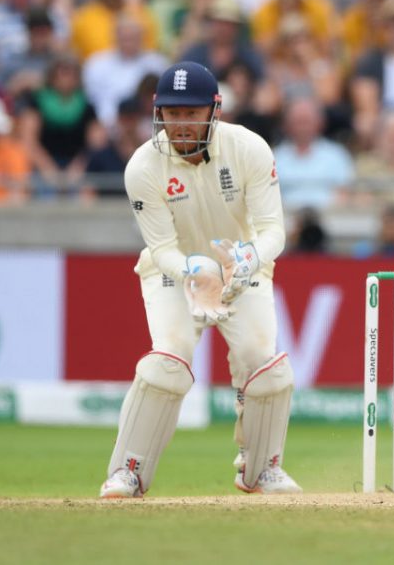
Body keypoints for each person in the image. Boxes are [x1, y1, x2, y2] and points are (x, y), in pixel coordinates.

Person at [100, 61, 300, 498]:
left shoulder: (249, 148)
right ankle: (127, 471)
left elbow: (273, 231)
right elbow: (162, 249)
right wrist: (193, 269)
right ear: (158, 112)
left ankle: (261, 468)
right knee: (167, 363)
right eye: (173, 113)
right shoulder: (143, 167)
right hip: (175, 273)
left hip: (241, 268)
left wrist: (248, 258)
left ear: (215, 110)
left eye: (192, 112)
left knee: (262, 362)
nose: (182, 123)